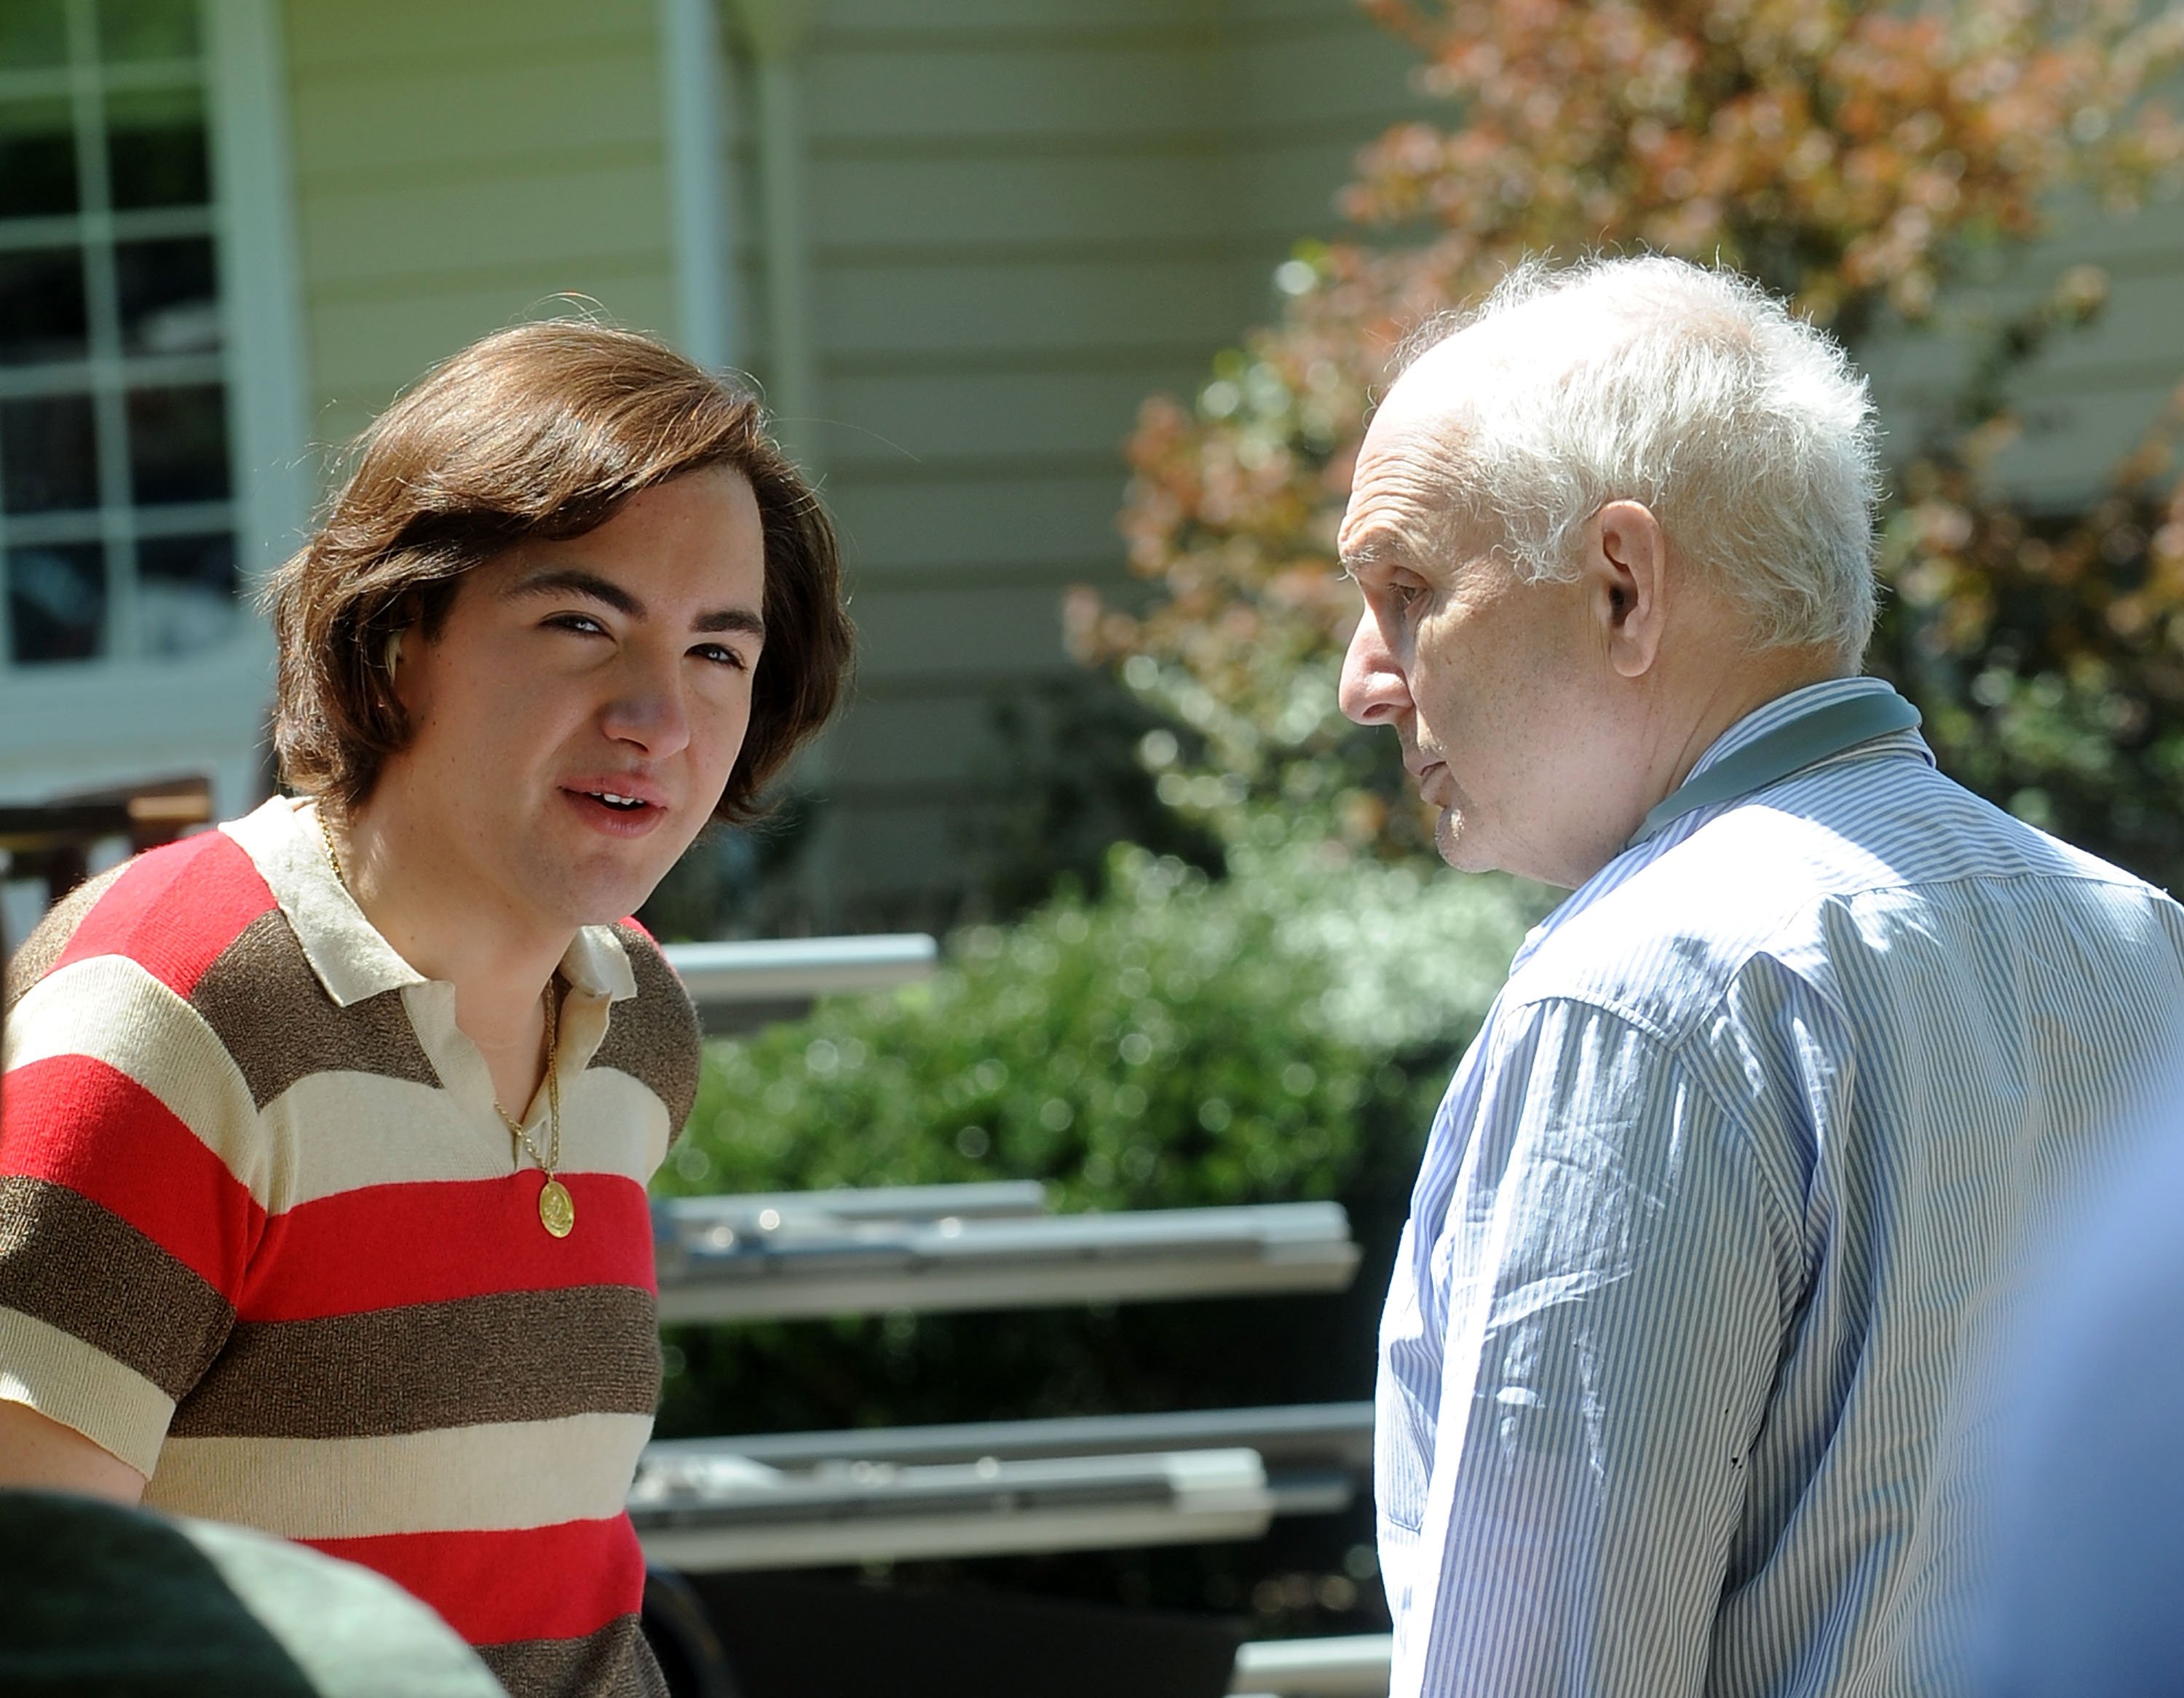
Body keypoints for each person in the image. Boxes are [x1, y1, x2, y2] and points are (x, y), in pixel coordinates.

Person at [1335, 254, 2184, 1697]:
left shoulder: (1638, 1002)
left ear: (1622, 588)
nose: (1365, 675)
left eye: (1409, 588)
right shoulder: (2136, 937)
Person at [0, 320, 853, 1697]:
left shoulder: (636, 1021)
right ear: (400, 640)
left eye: (717, 651)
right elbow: (39, 1614)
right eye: (583, 622)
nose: (660, 713)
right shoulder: (169, 1008)